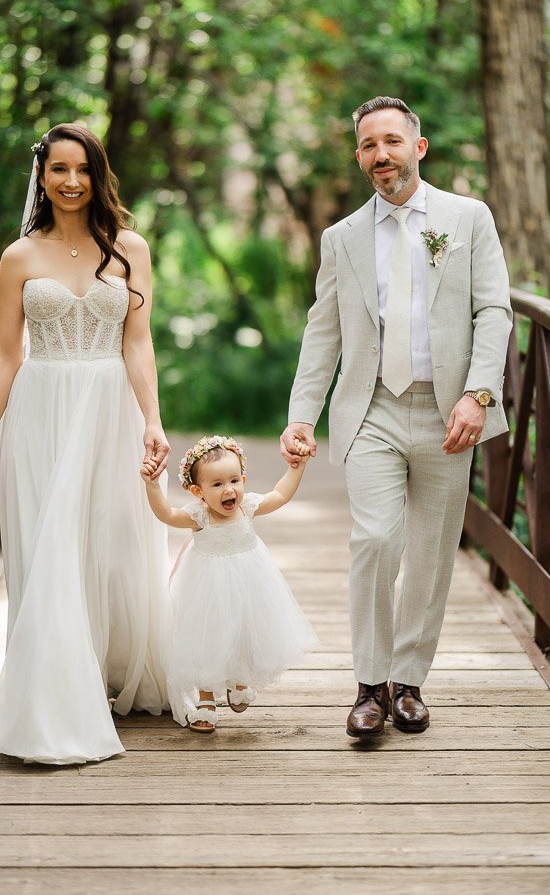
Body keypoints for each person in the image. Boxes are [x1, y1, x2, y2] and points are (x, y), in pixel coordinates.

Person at [280, 96, 512, 737]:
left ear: (419, 146)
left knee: (433, 552)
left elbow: (494, 311)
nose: (380, 155)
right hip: (372, 410)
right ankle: (368, 686)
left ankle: (408, 682)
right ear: (359, 158)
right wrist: (303, 414)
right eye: (367, 145)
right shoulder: (342, 238)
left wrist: (478, 393)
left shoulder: (469, 218)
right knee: (376, 540)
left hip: (449, 412)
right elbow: (322, 330)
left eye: (391, 141)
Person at [0, 123, 171, 764]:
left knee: (107, 541)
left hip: (110, 406)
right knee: (50, 547)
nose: (72, 181)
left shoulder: (129, 247)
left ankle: (105, 672)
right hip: (43, 412)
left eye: (82, 168)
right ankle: (51, 701)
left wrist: (153, 421)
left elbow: (138, 344)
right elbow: (6, 354)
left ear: (99, 173)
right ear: (42, 176)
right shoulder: (19, 257)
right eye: (59, 169)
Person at [141, 435, 318, 732]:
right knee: (207, 638)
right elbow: (167, 515)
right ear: (198, 491)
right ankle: (207, 698)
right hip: (207, 588)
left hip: (249, 581)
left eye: (234, 480)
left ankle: (239, 681)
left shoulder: (246, 507)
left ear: (243, 479)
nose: (229, 490)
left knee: (245, 630)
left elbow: (280, 494)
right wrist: (152, 486)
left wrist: (297, 468)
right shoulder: (199, 516)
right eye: (217, 484)